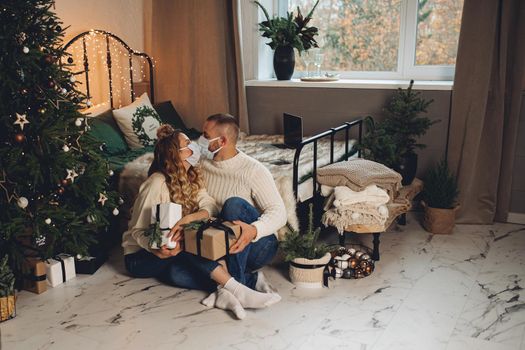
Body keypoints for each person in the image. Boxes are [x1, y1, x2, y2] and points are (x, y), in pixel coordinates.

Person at [122, 124, 280, 319]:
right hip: (140, 256)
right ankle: (241, 287)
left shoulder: (191, 176)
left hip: (172, 250)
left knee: (178, 271)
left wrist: (191, 218)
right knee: (189, 244)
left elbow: (210, 205)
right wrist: (155, 249)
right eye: (188, 143)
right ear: (176, 154)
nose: (195, 145)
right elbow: (137, 230)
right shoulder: (156, 183)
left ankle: (226, 291)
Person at [197, 113, 287, 294]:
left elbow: (279, 213)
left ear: (221, 141)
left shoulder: (253, 170)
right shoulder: (201, 165)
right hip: (220, 244)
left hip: (257, 245)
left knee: (234, 205)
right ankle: (249, 280)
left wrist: (254, 230)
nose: (200, 140)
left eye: (205, 136)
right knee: (176, 274)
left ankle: (235, 285)